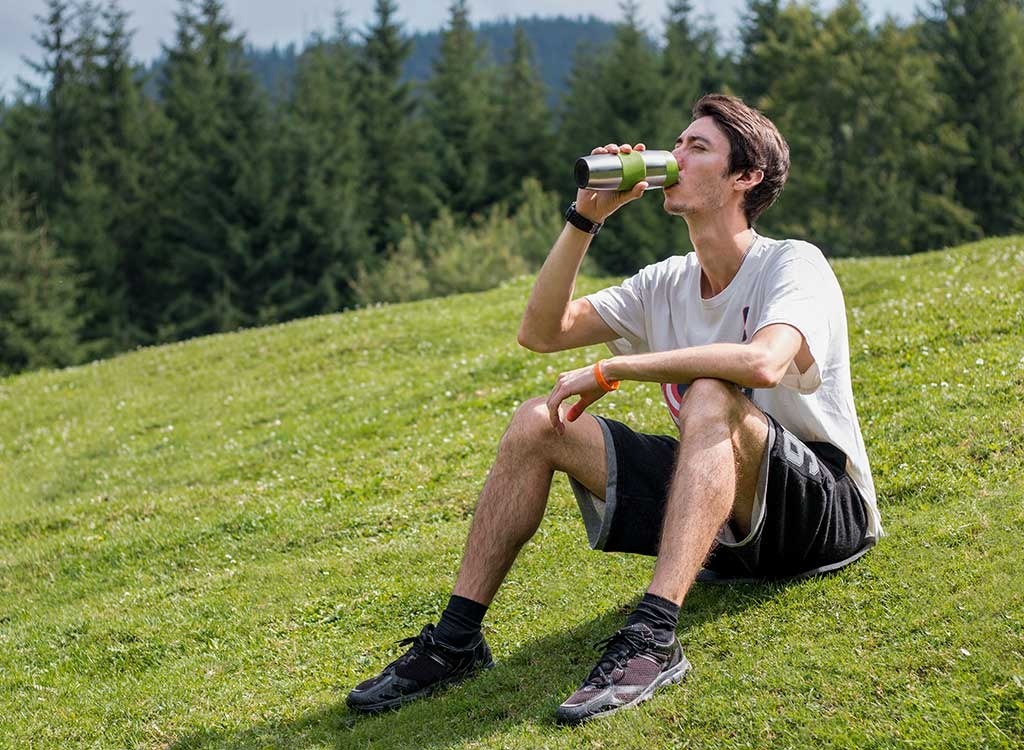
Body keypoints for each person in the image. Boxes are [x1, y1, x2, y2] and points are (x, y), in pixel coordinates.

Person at [346, 93, 883, 724]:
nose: (675, 155)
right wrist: (583, 219)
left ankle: (653, 637)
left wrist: (616, 366)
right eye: (677, 143)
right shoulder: (666, 281)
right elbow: (542, 331)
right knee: (536, 423)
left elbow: (764, 363)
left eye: (697, 146)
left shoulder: (794, 263)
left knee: (713, 390)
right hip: (725, 528)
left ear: (747, 176)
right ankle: (457, 640)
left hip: (820, 514)